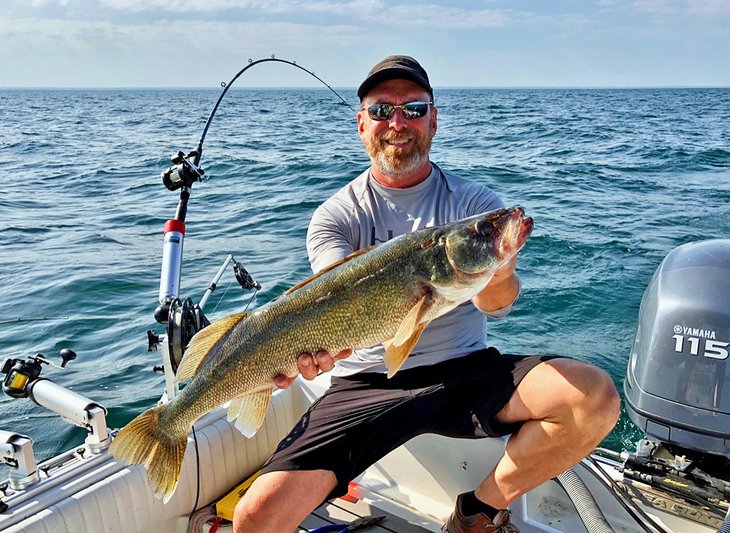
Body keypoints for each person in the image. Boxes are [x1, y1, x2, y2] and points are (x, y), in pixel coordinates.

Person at [233, 55, 620, 533]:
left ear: (434, 120)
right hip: (364, 383)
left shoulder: (475, 205)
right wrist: (303, 357)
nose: (398, 123)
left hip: (463, 371)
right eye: (381, 111)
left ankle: (477, 511)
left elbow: (496, 304)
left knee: (592, 397)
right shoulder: (334, 217)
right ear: (361, 125)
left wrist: (496, 265)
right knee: (255, 518)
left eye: (413, 109)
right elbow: (327, 302)